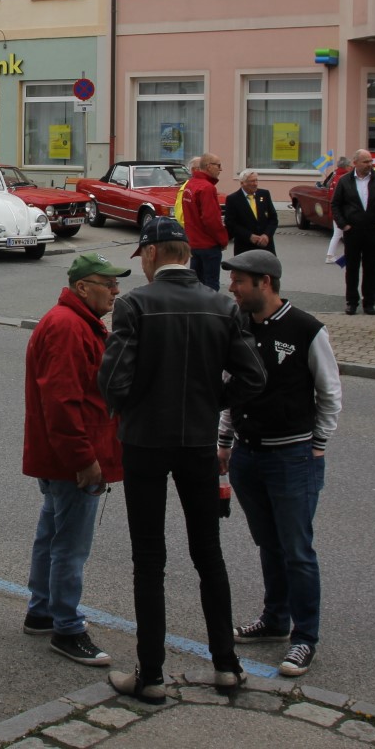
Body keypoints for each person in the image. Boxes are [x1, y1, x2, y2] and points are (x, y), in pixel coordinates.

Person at [98, 217, 266, 701]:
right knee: (208, 554)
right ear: (186, 254)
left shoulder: (134, 304)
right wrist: (214, 397)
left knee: (149, 559)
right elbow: (252, 378)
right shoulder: (221, 304)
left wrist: (128, 407)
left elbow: (112, 380)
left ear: (151, 255)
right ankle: (227, 668)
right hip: (196, 439)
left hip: (146, 441)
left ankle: (150, 675)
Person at [221, 250, 341, 679]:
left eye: (239, 281)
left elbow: (329, 392)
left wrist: (319, 443)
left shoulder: (306, 329)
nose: (232, 287)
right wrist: (225, 440)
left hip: (292, 457)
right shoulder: (236, 325)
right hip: (248, 455)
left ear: (265, 283)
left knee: (297, 551)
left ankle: (304, 638)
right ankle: (275, 620)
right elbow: (230, 385)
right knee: (268, 544)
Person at [22, 252, 132, 667]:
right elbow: (63, 402)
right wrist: (85, 460)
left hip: (60, 457)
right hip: (72, 460)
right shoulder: (69, 327)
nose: (117, 291)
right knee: (70, 546)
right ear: (83, 287)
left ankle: (42, 610)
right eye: (110, 283)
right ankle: (67, 628)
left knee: (52, 534)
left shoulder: (73, 322)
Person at [330, 151, 375, 316]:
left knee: (370, 268)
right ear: (355, 162)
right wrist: (343, 225)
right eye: (365, 162)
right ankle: (351, 302)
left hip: (373, 230)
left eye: (370, 161)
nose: (369, 164)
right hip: (353, 230)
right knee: (352, 268)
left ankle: (369, 302)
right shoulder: (345, 181)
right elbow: (336, 205)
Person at [175, 154, 228, 291]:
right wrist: (222, 240)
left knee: (196, 283)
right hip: (208, 245)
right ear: (209, 166)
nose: (220, 169)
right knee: (210, 285)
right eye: (218, 165)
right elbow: (211, 219)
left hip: (194, 243)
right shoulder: (207, 187)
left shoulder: (190, 185)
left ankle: (196, 309)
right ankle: (209, 311)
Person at [224, 169, 278, 256]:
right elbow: (230, 223)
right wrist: (249, 236)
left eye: (256, 180)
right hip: (245, 247)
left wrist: (267, 235)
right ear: (242, 183)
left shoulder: (264, 194)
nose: (255, 183)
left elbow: (273, 218)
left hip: (266, 246)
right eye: (252, 181)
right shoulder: (233, 199)